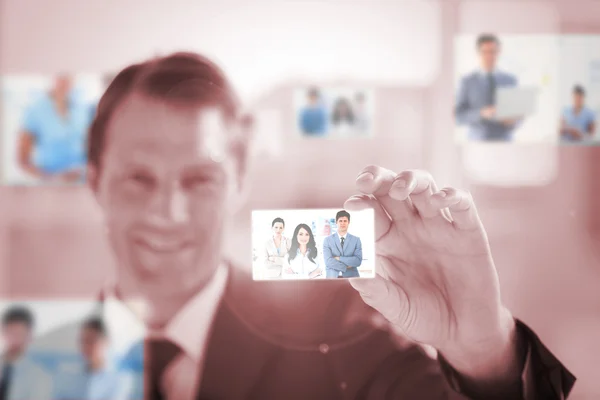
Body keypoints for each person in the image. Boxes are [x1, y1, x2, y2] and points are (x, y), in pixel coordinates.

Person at [34, 52, 574, 399]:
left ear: (240, 181)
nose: (169, 212)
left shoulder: (337, 331)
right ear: (95, 180)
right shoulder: (31, 368)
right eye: (139, 179)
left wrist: (482, 349)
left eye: (199, 179)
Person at [17, 75, 92, 183]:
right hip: (51, 186)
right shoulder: (35, 110)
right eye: (61, 76)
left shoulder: (82, 107)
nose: (66, 80)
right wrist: (52, 178)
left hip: (82, 183)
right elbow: (23, 160)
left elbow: (91, 147)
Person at [455, 34, 521, 141]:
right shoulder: (467, 81)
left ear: (499, 52)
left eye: (493, 52)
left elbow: (518, 116)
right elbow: (458, 117)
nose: (489, 56)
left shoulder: (511, 80)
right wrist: (481, 114)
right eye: (485, 52)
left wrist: (513, 121)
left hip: (505, 141)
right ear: (478, 53)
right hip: (477, 142)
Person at [53, 317, 125, 400]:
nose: (85, 346)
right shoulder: (68, 378)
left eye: (91, 341)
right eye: (83, 341)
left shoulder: (118, 382)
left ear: (106, 341)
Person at [0, 306, 52, 400]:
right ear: (3, 332)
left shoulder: (39, 377)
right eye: (11, 333)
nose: (15, 340)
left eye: (20, 334)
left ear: (29, 336)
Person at [323, 210, 363, 278]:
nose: (342, 223)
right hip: (332, 277)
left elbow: (357, 261)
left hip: (351, 277)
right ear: (336, 222)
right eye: (340, 221)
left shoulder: (356, 240)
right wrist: (346, 267)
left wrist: (339, 258)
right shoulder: (327, 240)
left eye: (345, 221)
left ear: (348, 222)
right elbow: (328, 261)